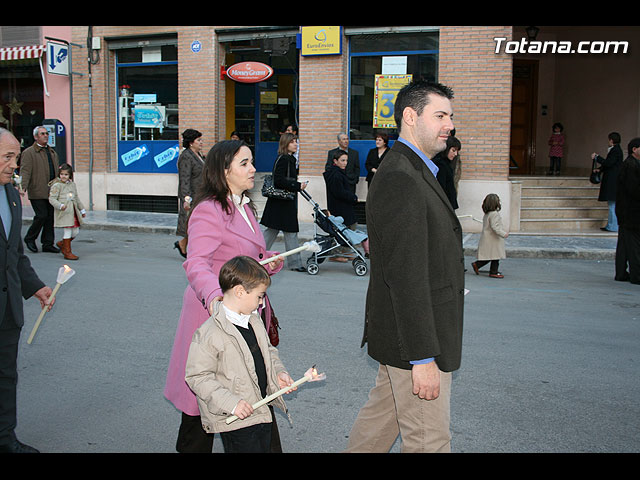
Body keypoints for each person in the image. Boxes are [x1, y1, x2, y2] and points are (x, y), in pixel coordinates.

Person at [345, 80, 464, 453]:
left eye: (450, 116)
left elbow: (422, 256)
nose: (449, 125)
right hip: (414, 339)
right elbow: (406, 275)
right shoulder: (401, 176)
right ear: (410, 117)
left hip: (402, 334)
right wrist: (423, 358)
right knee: (429, 441)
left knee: (380, 425)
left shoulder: (417, 169)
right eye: (440, 115)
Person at [164, 140, 284, 453]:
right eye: (244, 163)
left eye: (252, 162)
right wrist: (218, 299)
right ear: (224, 170)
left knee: (253, 391)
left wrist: (267, 259)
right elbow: (197, 262)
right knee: (202, 402)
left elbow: (245, 256)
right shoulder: (209, 210)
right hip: (214, 316)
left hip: (245, 318)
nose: (253, 169)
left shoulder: (244, 206)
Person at [185, 255, 295, 453]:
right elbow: (198, 377)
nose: (261, 303)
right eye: (259, 296)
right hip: (237, 418)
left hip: (261, 408)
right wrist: (231, 403)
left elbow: (268, 352)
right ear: (240, 292)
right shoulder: (209, 333)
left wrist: (278, 373)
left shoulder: (253, 320)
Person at [0, 128, 55, 453]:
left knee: (6, 379)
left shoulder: (9, 194)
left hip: (8, 310)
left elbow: (14, 252)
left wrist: (36, 287)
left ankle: (6, 439)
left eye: (15, 157)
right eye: (7, 157)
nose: (14, 165)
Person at [260, 133, 308, 272]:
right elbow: (279, 180)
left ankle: (257, 257)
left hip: (280, 203)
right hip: (282, 202)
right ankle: (294, 263)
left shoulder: (288, 158)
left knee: (276, 231)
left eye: (296, 142)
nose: (295, 144)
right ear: (286, 144)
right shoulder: (285, 159)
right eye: (293, 142)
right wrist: (297, 186)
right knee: (287, 231)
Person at [19, 126, 60, 254]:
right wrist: (22, 187)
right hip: (37, 190)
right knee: (41, 215)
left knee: (50, 218)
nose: (46, 136)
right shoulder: (29, 152)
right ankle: (30, 238)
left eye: (47, 133)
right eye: (42, 134)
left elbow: (56, 171)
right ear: (36, 137)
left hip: (51, 191)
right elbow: (25, 171)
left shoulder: (51, 152)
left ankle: (47, 243)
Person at [324, 150, 365, 261]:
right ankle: (337, 254)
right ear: (335, 161)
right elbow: (339, 192)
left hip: (341, 206)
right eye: (342, 160)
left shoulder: (338, 173)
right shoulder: (336, 174)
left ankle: (345, 252)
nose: (345, 163)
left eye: (346, 160)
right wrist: (352, 197)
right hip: (340, 207)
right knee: (345, 229)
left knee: (346, 229)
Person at [174, 129, 205, 259]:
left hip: (201, 195)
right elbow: (184, 179)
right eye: (199, 140)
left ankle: (183, 244)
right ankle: (189, 248)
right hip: (192, 196)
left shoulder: (199, 155)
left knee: (196, 224)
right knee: (193, 224)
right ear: (191, 143)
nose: (201, 142)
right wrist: (186, 199)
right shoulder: (186, 157)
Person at [614, 137, 640, 284]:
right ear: (634, 149)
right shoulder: (631, 166)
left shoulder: (632, 164)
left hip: (627, 212)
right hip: (631, 212)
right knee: (634, 245)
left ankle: (621, 273)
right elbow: (634, 190)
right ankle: (637, 275)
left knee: (624, 243)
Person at [48, 164, 86, 261]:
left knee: (76, 231)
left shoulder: (72, 185)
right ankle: (67, 252)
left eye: (66, 174)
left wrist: (81, 209)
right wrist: (60, 205)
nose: (63, 176)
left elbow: (76, 197)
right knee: (68, 231)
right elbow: (52, 199)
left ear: (70, 175)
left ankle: (62, 244)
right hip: (64, 212)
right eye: (61, 174)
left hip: (73, 211)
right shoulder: (57, 185)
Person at [471, 193, 509, 279]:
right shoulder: (494, 214)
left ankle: (479, 265)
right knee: (495, 256)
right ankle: (492, 271)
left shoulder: (487, 214)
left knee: (490, 256)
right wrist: (503, 234)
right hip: (493, 239)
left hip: (488, 238)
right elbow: (495, 227)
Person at [592, 132, 623, 232]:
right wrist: (600, 169)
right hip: (613, 181)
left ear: (611, 140)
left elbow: (609, 163)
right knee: (611, 205)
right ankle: (610, 225)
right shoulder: (616, 150)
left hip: (613, 182)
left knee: (612, 205)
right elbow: (610, 164)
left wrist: (598, 157)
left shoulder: (615, 150)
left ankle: (613, 226)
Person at [432, 135, 462, 210]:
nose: (455, 154)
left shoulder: (447, 164)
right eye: (453, 150)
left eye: (457, 151)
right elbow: (441, 188)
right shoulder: (441, 165)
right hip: (444, 206)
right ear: (447, 148)